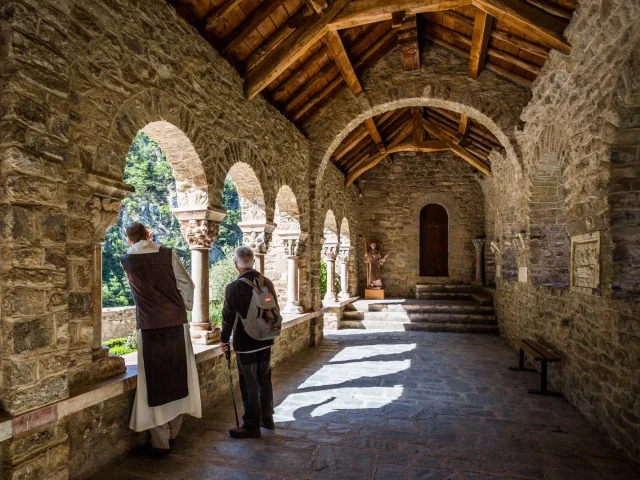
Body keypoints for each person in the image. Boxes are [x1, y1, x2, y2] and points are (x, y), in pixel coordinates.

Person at [121, 222, 202, 456]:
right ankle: (173, 432)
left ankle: (160, 441)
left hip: (148, 327)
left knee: (153, 384)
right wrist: (183, 305)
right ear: (148, 234)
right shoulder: (166, 255)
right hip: (175, 323)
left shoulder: (127, 261)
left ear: (129, 240)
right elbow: (187, 284)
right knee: (178, 377)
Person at [221, 246, 279, 439]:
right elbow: (275, 309)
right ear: (253, 262)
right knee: (264, 378)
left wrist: (224, 340)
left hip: (245, 342)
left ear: (237, 265)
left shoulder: (234, 287)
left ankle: (251, 425)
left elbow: (228, 317)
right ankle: (268, 418)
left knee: (249, 382)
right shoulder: (266, 282)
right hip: (265, 338)